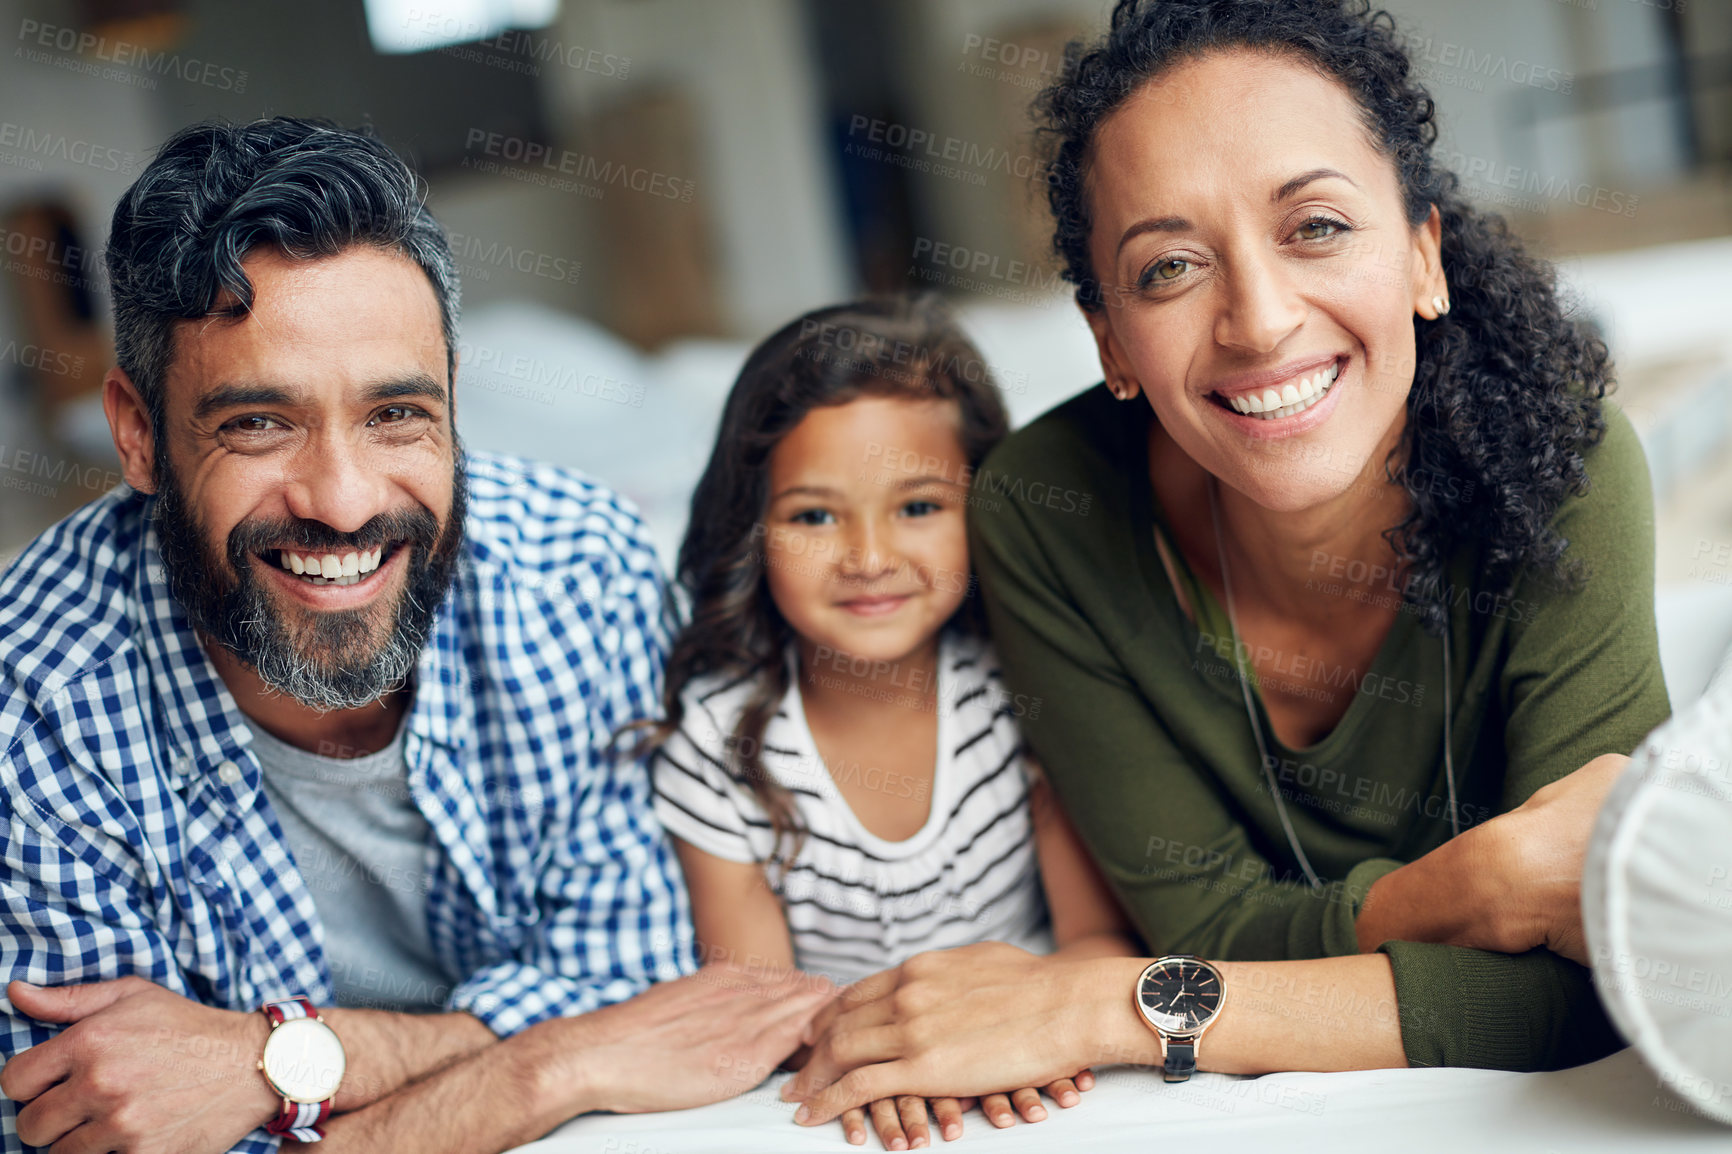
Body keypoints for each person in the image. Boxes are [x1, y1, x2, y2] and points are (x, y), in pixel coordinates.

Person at [784, 0, 1670, 1125]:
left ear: (1420, 255)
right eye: (1167, 269)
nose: (1257, 321)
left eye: (1314, 227)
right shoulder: (1044, 513)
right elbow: (1205, 926)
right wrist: (1466, 888)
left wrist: (1103, 1008)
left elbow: (1598, 984)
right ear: (1108, 337)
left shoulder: (1565, 474)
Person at [0, 117, 832, 1154]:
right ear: (137, 434)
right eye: (259, 422)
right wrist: (552, 1056)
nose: (345, 504)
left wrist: (281, 1063)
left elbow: (643, 981)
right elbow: (104, 1121)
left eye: (397, 413)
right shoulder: (33, 699)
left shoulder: (584, 571)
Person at [647, 297, 1136, 1149]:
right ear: (751, 532)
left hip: (1029, 1027)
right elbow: (758, 1003)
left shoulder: (1027, 689)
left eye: (917, 507)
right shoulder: (718, 749)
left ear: (982, 506)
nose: (869, 558)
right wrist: (899, 1059)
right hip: (852, 1064)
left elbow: (1096, 937)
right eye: (812, 515)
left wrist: (1017, 1031)